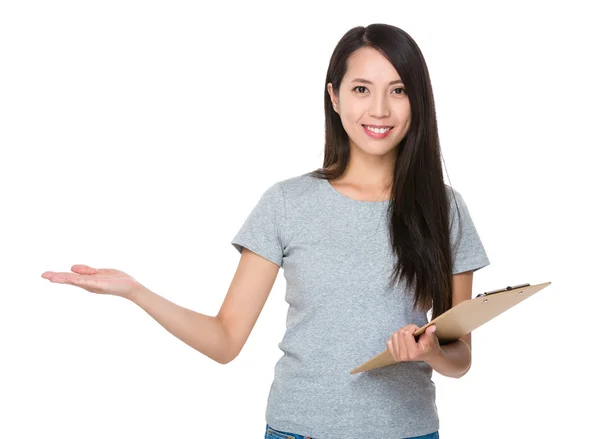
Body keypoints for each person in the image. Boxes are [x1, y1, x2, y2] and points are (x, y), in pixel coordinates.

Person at [41, 23, 490, 439]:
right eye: (361, 89)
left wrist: (429, 350)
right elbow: (224, 341)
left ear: (419, 100)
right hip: (298, 431)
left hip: (407, 432)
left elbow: (459, 358)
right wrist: (137, 291)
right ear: (334, 97)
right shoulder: (287, 203)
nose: (379, 109)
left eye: (398, 90)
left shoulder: (443, 208)